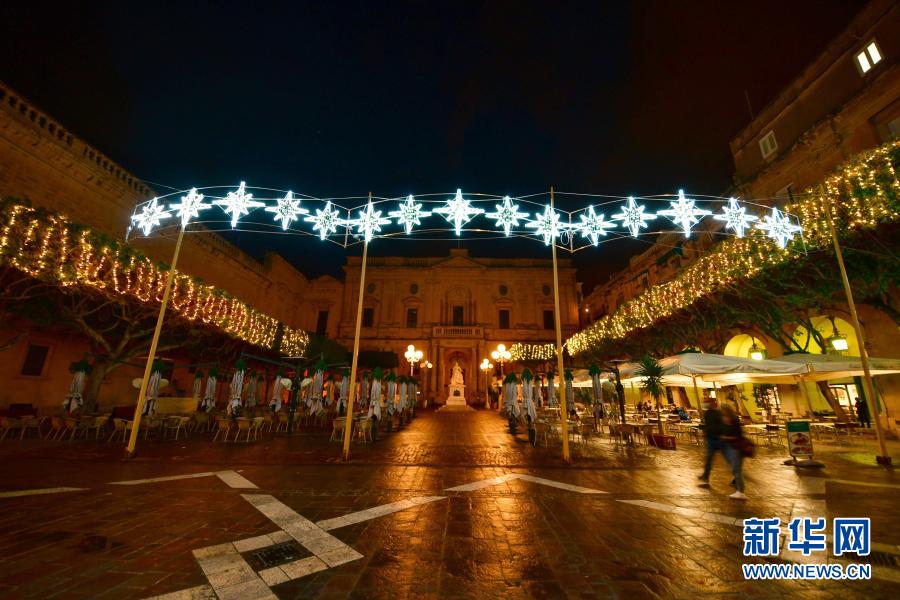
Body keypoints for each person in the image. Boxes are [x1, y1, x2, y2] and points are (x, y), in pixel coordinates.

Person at [720, 404, 747, 500]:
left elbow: (737, 435)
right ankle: (738, 483)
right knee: (734, 468)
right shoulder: (724, 420)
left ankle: (741, 491)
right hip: (729, 447)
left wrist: (725, 437)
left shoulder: (734, 420)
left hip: (735, 447)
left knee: (736, 469)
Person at [698, 400, 725, 486]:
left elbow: (722, 425)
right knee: (709, 458)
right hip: (710, 439)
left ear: (713, 404)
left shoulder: (719, 413)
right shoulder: (707, 413)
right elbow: (707, 424)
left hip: (719, 439)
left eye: (708, 403)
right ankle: (706, 476)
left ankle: (738, 476)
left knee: (729, 459)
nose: (706, 404)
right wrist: (706, 432)